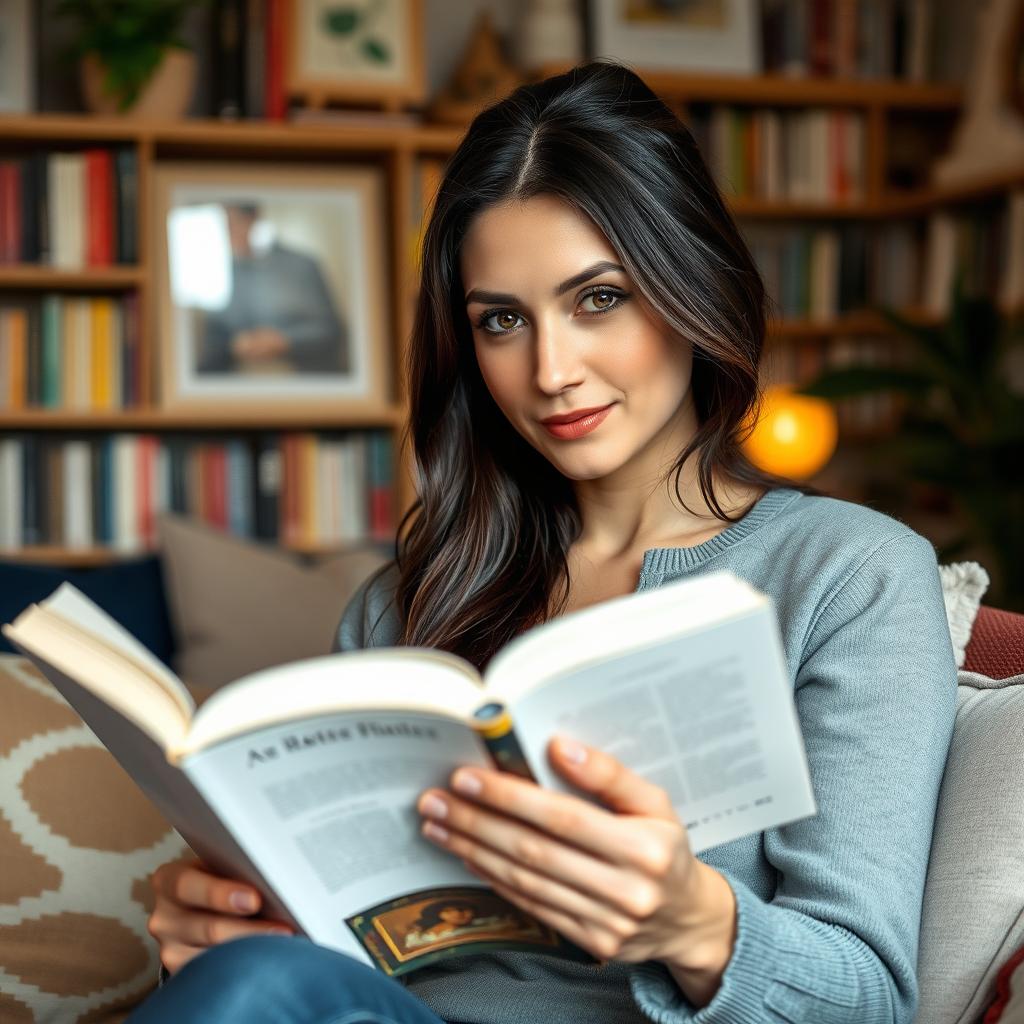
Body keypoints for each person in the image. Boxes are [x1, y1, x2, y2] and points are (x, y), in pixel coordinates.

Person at [132, 60, 957, 1023]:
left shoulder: (846, 575)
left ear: (691, 280)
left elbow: (869, 997)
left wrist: (696, 922)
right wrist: (215, 935)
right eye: (503, 321)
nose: (552, 370)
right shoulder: (406, 602)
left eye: (598, 299)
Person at [197, 202, 350, 375]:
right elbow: (217, 332)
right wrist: (236, 343)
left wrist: (285, 341)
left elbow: (330, 331)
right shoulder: (226, 272)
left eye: (231, 224)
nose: (227, 234)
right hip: (244, 382)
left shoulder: (301, 265)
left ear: (252, 220)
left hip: (306, 378)